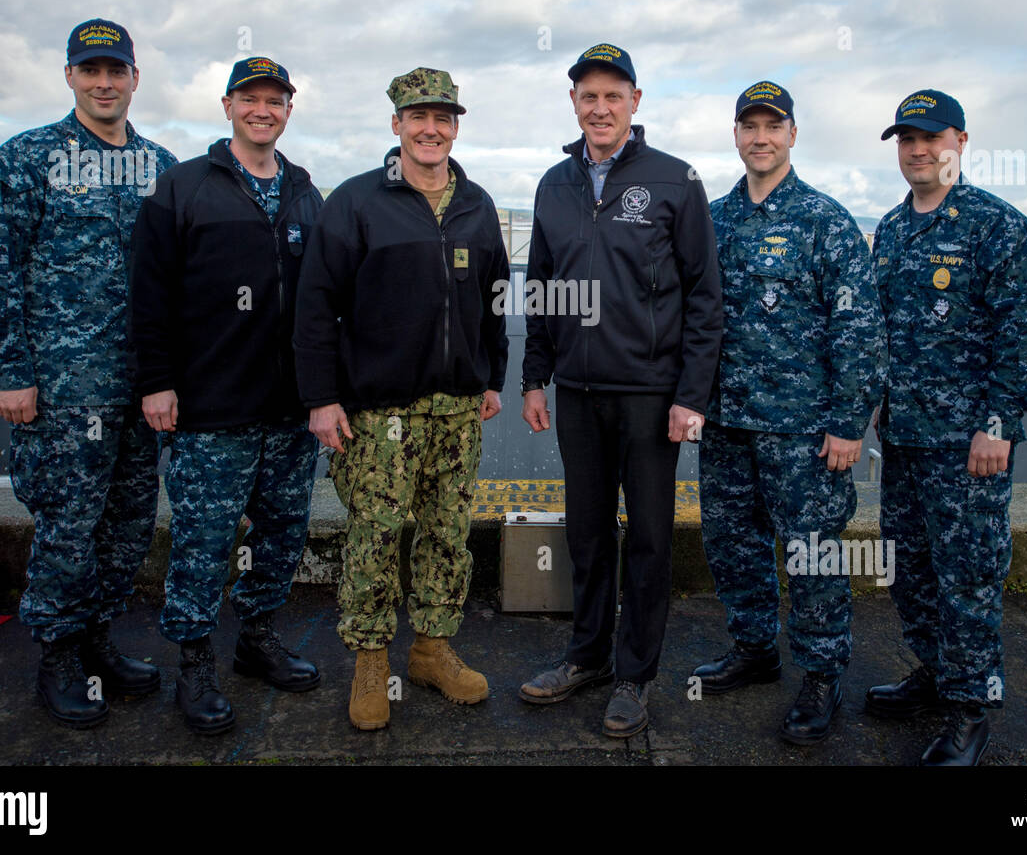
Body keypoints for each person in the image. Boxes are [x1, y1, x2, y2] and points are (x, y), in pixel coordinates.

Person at [0, 19, 178, 727]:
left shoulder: (161, 167)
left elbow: (182, 281)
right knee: (67, 523)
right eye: (90, 71)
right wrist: (9, 371)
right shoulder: (25, 160)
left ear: (135, 78)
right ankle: (57, 654)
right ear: (70, 78)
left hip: (141, 392)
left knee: (126, 524)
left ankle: (96, 640)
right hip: (60, 390)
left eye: (116, 70)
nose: (104, 83)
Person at [294, 67, 509, 731]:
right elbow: (315, 306)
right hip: (380, 410)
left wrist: (492, 376)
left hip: (457, 409)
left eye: (443, 117)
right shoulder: (357, 202)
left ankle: (431, 649)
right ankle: (368, 662)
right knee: (376, 535)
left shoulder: (476, 204)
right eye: (418, 117)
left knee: (447, 533)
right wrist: (322, 399)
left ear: (455, 126)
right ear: (396, 124)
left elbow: (495, 302)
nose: (430, 128)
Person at [518, 43, 722, 738]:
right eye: (587, 96)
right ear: (573, 103)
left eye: (613, 95)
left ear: (636, 102)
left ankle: (635, 675)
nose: (599, 107)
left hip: (650, 395)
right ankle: (588, 658)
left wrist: (691, 395)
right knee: (587, 533)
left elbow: (704, 297)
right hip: (576, 390)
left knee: (650, 542)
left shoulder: (674, 180)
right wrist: (534, 377)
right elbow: (542, 287)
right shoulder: (553, 183)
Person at [868, 89, 1027, 765]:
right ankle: (936, 673)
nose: (918, 150)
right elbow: (880, 333)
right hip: (906, 440)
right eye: (907, 139)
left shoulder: (993, 225)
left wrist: (999, 422)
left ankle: (971, 710)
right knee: (912, 570)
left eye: (931, 137)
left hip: (969, 447)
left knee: (969, 576)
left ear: (960, 141)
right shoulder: (892, 230)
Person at [130, 57, 324, 734]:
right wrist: (156, 382)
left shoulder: (304, 192)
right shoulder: (183, 187)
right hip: (211, 409)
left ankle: (256, 640)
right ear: (227, 105)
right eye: (251, 98)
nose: (262, 110)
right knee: (203, 544)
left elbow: (321, 301)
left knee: (280, 536)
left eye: (275, 100)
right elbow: (149, 294)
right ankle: (193, 664)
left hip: (289, 410)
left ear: (288, 111)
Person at [693, 81, 886, 745]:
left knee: (811, 556)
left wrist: (846, 423)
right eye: (749, 126)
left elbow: (858, 331)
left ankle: (822, 675)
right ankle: (753, 649)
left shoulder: (824, 221)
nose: (761, 137)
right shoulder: (713, 219)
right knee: (732, 546)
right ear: (737, 135)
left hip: (804, 433)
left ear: (793, 135)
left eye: (773, 126)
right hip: (724, 424)